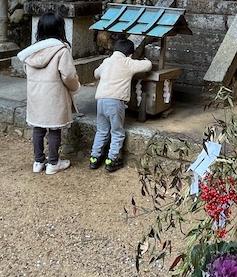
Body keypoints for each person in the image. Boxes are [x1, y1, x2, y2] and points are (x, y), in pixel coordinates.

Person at [16, 12, 80, 175]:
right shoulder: (61, 50)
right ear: (60, 29)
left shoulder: (31, 52)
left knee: (37, 127)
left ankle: (38, 161)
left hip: (35, 95)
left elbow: (27, 71)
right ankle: (53, 162)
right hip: (54, 95)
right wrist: (75, 87)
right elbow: (68, 75)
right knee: (54, 128)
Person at [89, 37, 152, 173]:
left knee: (102, 130)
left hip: (100, 100)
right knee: (117, 131)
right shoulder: (128, 62)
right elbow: (147, 66)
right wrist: (146, 60)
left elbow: (96, 74)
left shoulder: (107, 61)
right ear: (130, 54)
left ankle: (95, 157)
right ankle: (112, 159)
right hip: (116, 101)